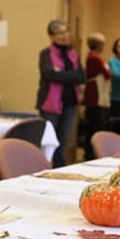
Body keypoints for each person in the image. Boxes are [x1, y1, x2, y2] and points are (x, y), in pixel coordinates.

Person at [35, 19, 86, 168]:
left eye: (66, 31)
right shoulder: (45, 54)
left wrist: (62, 74)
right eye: (60, 33)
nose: (64, 36)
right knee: (49, 140)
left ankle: (59, 168)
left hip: (70, 102)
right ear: (51, 36)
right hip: (50, 104)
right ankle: (44, 168)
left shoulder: (73, 54)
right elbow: (50, 75)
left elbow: (82, 76)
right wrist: (70, 75)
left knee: (63, 140)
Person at [83, 33, 112, 160]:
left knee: (92, 125)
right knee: (96, 125)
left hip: (94, 94)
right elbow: (107, 74)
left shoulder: (91, 56)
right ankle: (92, 153)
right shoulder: (95, 58)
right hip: (96, 95)